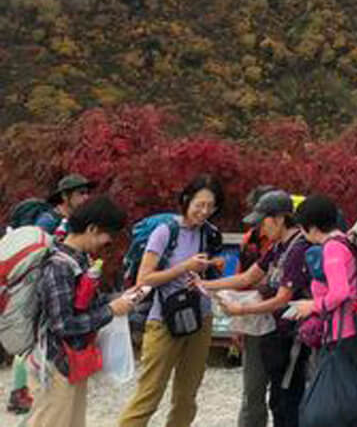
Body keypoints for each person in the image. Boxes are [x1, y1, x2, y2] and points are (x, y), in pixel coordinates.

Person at [117, 175, 225, 427]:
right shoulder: (165, 232)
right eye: (200, 204)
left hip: (201, 317)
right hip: (164, 320)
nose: (204, 211)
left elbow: (204, 272)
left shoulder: (209, 233)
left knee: (187, 397)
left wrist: (208, 268)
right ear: (186, 200)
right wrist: (184, 267)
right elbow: (145, 279)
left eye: (211, 206)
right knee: (149, 395)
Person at [202, 191, 311, 427]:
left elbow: (283, 299)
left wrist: (240, 311)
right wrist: (204, 285)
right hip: (273, 333)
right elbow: (247, 277)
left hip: (292, 337)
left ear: (280, 219)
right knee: (275, 400)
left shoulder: (298, 249)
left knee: (287, 402)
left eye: (264, 220)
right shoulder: (278, 247)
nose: (261, 228)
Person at [29, 195, 136, 427]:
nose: (108, 243)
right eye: (109, 237)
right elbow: (63, 325)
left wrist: (119, 301)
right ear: (92, 228)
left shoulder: (79, 260)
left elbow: (85, 305)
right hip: (55, 365)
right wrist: (110, 310)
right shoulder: (58, 265)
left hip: (72, 363)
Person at [8, 175, 95, 416]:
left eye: (87, 193)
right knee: (43, 404)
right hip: (43, 305)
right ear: (65, 196)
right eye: (80, 193)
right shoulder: (48, 221)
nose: (85, 197)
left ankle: (22, 403)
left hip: (54, 304)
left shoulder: (70, 221)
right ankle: (21, 401)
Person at [289, 196, 357, 426]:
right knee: (348, 399)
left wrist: (311, 306)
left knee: (326, 407)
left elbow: (339, 292)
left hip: (340, 337)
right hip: (355, 333)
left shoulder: (332, 249)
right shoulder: (346, 242)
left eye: (302, 228)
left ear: (312, 227)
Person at [231, 184, 282, 427]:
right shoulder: (250, 239)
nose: (258, 223)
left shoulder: (293, 242)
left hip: (284, 322)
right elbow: (243, 279)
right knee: (253, 391)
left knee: (287, 392)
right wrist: (239, 325)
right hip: (254, 319)